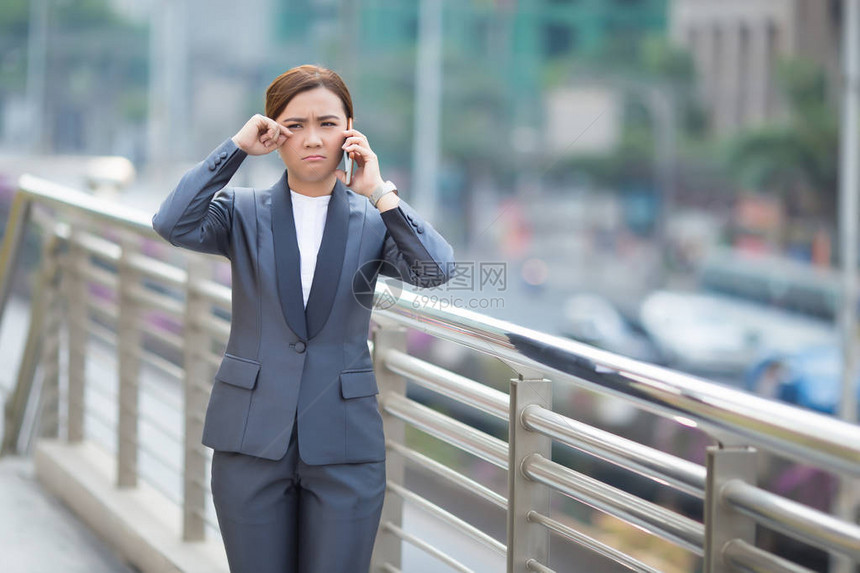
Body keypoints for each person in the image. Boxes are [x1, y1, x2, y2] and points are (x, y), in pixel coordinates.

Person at [151, 64, 454, 573]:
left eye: (328, 123)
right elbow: (172, 222)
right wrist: (236, 150)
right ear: (273, 132)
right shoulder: (241, 213)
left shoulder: (373, 220)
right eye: (294, 125)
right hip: (249, 439)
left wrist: (380, 192)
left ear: (350, 131)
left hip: (345, 446)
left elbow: (436, 269)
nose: (312, 138)